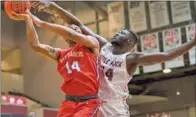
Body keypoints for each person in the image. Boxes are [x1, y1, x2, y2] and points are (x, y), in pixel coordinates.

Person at [32, 2, 196, 117]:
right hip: (92, 103)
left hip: (114, 109)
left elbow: (168, 55)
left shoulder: (131, 58)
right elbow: (78, 24)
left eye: (123, 33)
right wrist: (52, 5)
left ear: (130, 42)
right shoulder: (104, 46)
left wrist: (193, 41)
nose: (118, 33)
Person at [9, 10, 102, 117]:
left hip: (88, 103)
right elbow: (36, 45)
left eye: (77, 28)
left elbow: (71, 34)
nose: (76, 28)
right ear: (63, 36)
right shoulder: (61, 54)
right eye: (71, 27)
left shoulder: (91, 44)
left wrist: (42, 23)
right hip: (68, 103)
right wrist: (28, 19)